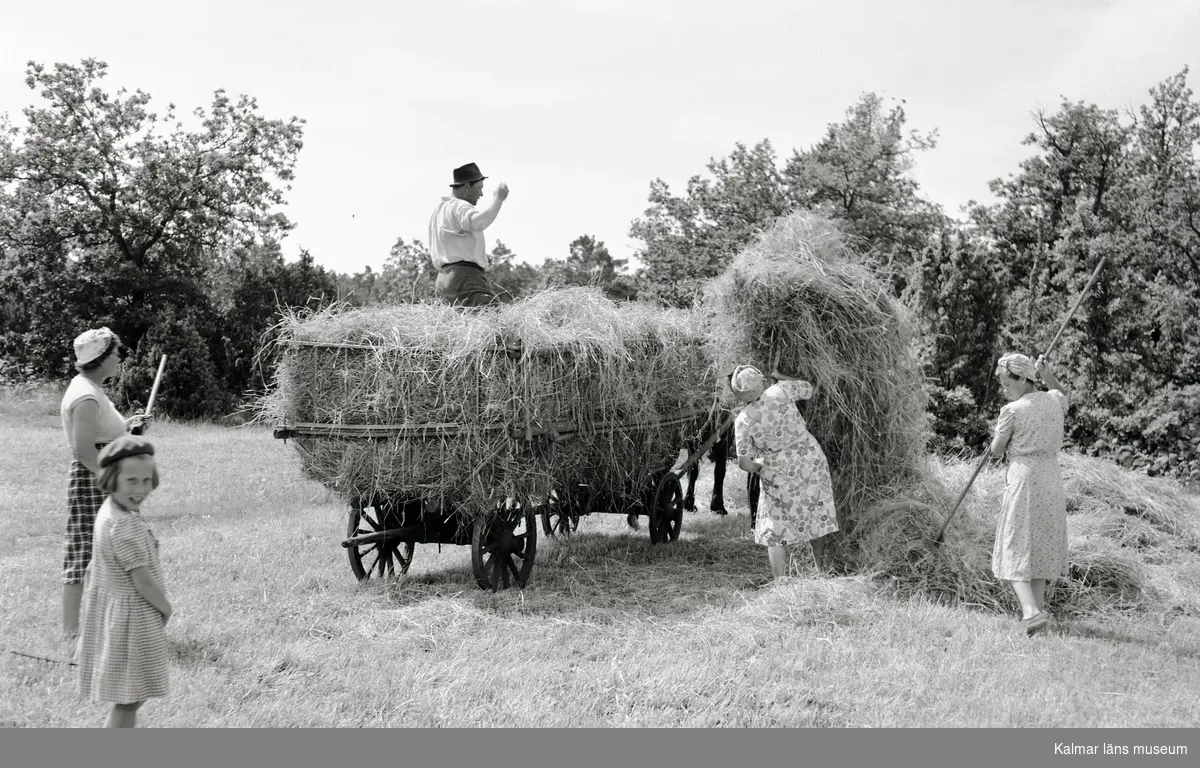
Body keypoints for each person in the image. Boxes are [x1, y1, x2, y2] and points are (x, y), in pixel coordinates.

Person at [75, 435, 172, 728]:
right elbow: (142, 582)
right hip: (133, 619)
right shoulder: (124, 525)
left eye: (146, 480)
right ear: (111, 478)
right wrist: (166, 608)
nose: (140, 489)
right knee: (130, 698)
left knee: (130, 695)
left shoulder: (109, 511)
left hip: (114, 612)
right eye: (131, 481)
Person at [59, 327, 148, 639]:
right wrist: (112, 481)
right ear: (100, 359)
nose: (119, 359)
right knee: (83, 552)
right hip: (92, 479)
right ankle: (71, 634)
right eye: (115, 354)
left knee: (115, 552)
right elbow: (83, 450)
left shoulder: (92, 389)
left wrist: (128, 427)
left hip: (103, 474)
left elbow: (103, 435)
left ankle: (115, 626)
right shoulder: (85, 396)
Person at [731, 364, 838, 579]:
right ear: (761, 381)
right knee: (816, 512)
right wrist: (781, 376)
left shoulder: (743, 420)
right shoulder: (781, 390)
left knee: (776, 527)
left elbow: (745, 463)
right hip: (808, 457)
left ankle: (781, 582)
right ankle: (819, 571)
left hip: (777, 469)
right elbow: (809, 388)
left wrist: (761, 465)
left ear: (740, 395)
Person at [989, 353, 1070, 636]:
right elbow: (1062, 393)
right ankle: (1038, 618)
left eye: (1006, 383)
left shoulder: (1013, 411)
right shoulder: (1055, 401)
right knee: (1039, 548)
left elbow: (996, 451)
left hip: (1024, 480)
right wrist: (1047, 373)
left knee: (1015, 544)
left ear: (1023, 378)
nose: (1004, 389)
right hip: (1050, 478)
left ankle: (1030, 611)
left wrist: (998, 433)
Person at [428, 162, 512, 307]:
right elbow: (477, 223)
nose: (481, 194)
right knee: (495, 320)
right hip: (465, 278)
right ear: (467, 187)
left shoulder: (438, 211)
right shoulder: (460, 205)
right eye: (479, 188)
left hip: (443, 281)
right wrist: (498, 199)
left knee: (462, 326)